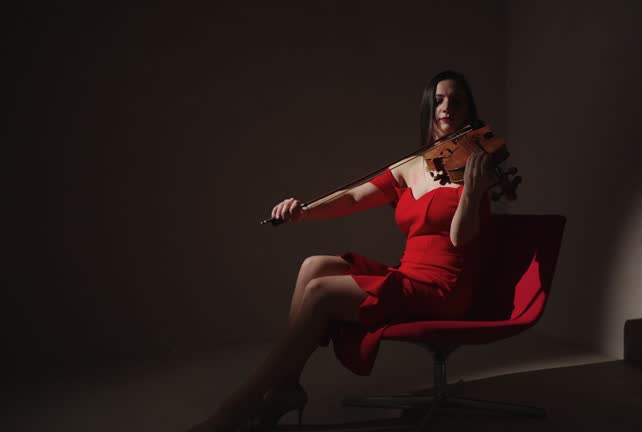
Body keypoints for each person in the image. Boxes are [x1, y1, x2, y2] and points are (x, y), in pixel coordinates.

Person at [188, 70, 495, 432]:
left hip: (442, 288)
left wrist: (473, 193)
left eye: (456, 101)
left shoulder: (473, 166)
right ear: (429, 107)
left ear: (468, 110)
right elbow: (353, 197)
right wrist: (304, 211)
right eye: (439, 100)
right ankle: (287, 386)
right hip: (408, 275)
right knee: (313, 267)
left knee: (321, 292)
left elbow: (461, 239)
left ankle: (239, 407)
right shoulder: (412, 166)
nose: (447, 107)